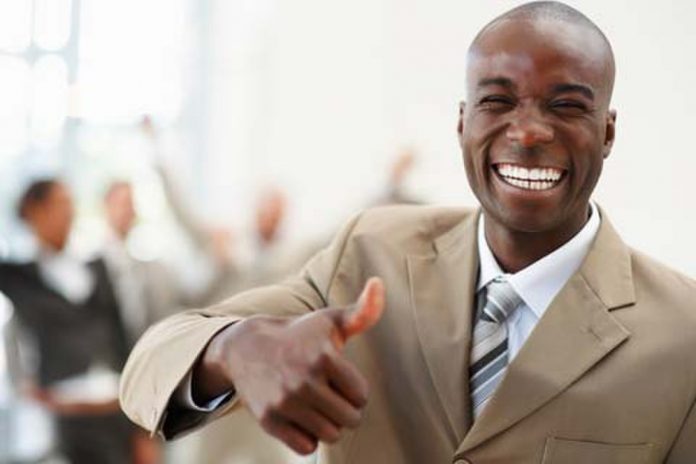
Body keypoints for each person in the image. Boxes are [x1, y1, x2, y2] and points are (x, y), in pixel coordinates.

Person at [119, 2, 696, 463]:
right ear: (463, 122)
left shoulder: (683, 331)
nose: (528, 132)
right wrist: (237, 347)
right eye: (497, 101)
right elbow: (151, 361)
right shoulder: (372, 253)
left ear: (608, 132)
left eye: (566, 106)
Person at [0, 179, 134, 464]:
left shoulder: (96, 266)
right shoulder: (18, 277)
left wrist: (140, 426)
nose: (69, 212)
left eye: (70, 203)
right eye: (60, 204)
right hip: (59, 422)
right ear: (34, 211)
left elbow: (121, 338)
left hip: (112, 415)